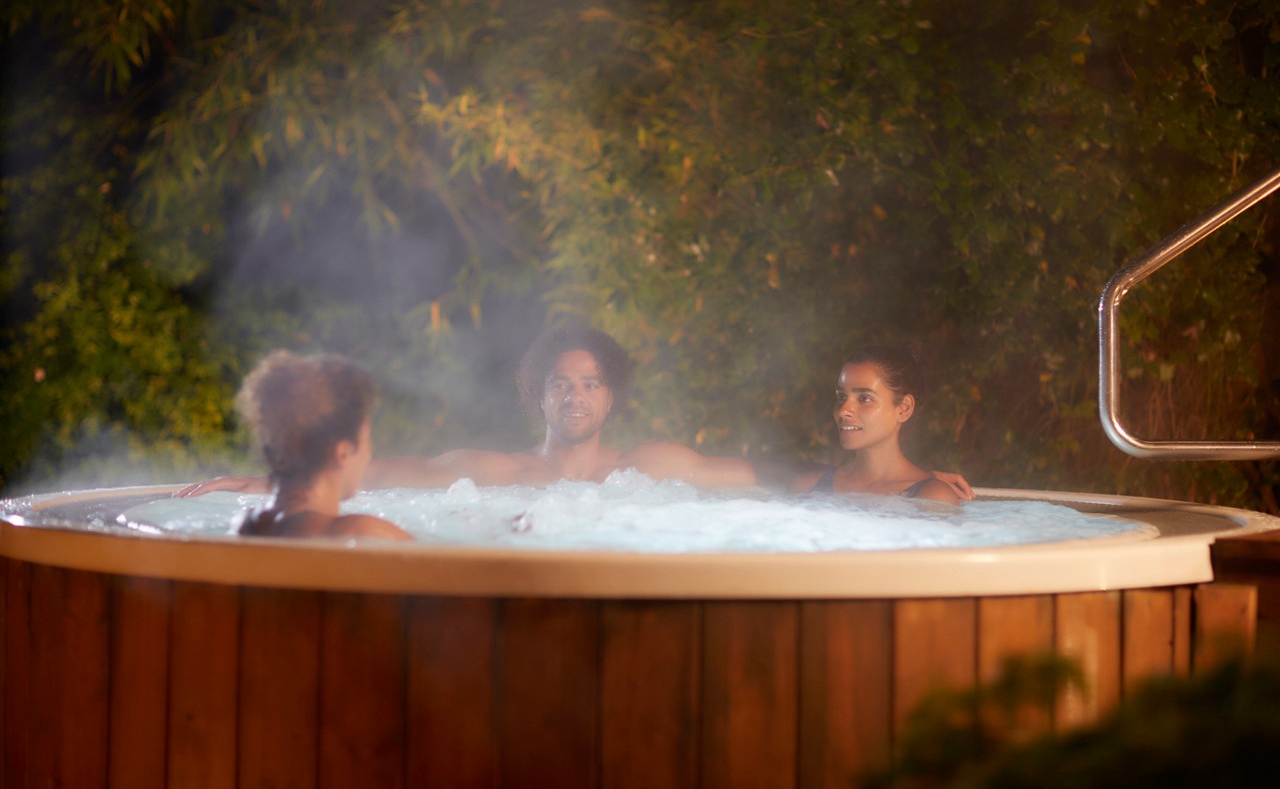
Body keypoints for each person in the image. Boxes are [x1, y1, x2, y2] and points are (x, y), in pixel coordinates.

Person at [178, 326, 973, 498]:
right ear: (538, 394)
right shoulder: (494, 470)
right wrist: (251, 485)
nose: (575, 395)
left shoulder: (655, 464)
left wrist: (915, 481)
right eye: (561, 383)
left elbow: (776, 480)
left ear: (612, 395)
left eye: (590, 383)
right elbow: (379, 472)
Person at [229, 350, 412, 540]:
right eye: (367, 436)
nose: (369, 453)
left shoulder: (244, 525)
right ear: (342, 453)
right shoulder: (361, 532)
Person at [789, 344, 962, 504]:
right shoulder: (808, 487)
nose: (843, 410)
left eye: (865, 398)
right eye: (841, 396)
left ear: (903, 408)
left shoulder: (931, 498)